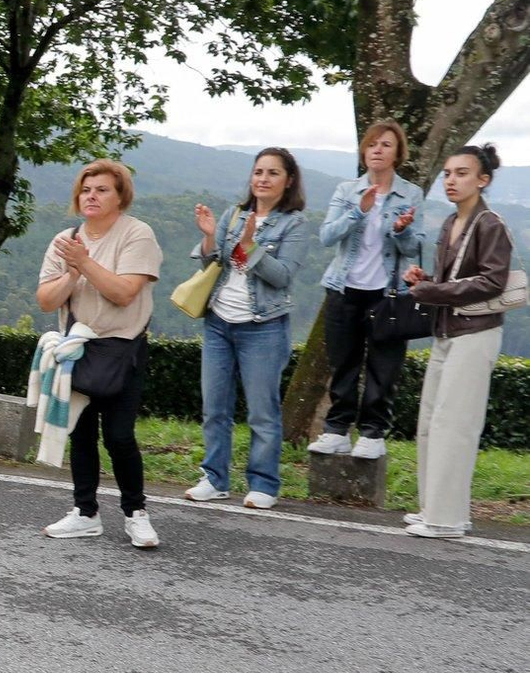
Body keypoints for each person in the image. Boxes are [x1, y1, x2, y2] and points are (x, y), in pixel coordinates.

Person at [36, 159, 163, 548]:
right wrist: (72, 273)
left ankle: (136, 513)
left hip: (123, 346)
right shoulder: (66, 239)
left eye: (102, 190)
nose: (91, 196)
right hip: (78, 348)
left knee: (119, 435)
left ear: (120, 197)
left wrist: (84, 262)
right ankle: (85, 512)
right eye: (86, 190)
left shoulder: (137, 234)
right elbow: (46, 300)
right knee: (82, 433)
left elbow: (124, 293)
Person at [184, 148, 309, 510]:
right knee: (215, 407)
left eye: (272, 173)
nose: (263, 179)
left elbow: (282, 276)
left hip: (263, 326)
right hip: (219, 322)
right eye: (258, 172)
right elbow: (214, 264)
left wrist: (251, 246)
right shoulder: (234, 214)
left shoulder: (295, 224)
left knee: (261, 412)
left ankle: (263, 484)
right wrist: (210, 236)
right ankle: (214, 478)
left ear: (288, 181)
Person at [401, 143, 513, 539]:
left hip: (476, 333)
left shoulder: (490, 224)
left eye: (461, 173)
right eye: (448, 173)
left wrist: (432, 291)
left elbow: (492, 281)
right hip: (448, 331)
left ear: (483, 180)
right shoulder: (451, 222)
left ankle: (445, 521)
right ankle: (435, 508)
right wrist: (426, 281)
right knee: (431, 422)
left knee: (455, 426)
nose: (451, 180)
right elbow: (452, 282)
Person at [310, 120, 424, 460]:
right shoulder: (347, 190)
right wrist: (359, 211)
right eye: (372, 144)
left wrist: (401, 230)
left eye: (386, 145)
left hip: (388, 293)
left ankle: (373, 433)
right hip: (344, 288)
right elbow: (327, 235)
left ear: (397, 154)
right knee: (343, 364)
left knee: (383, 367)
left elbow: (415, 246)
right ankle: (337, 431)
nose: (377, 150)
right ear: (364, 151)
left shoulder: (410, 194)